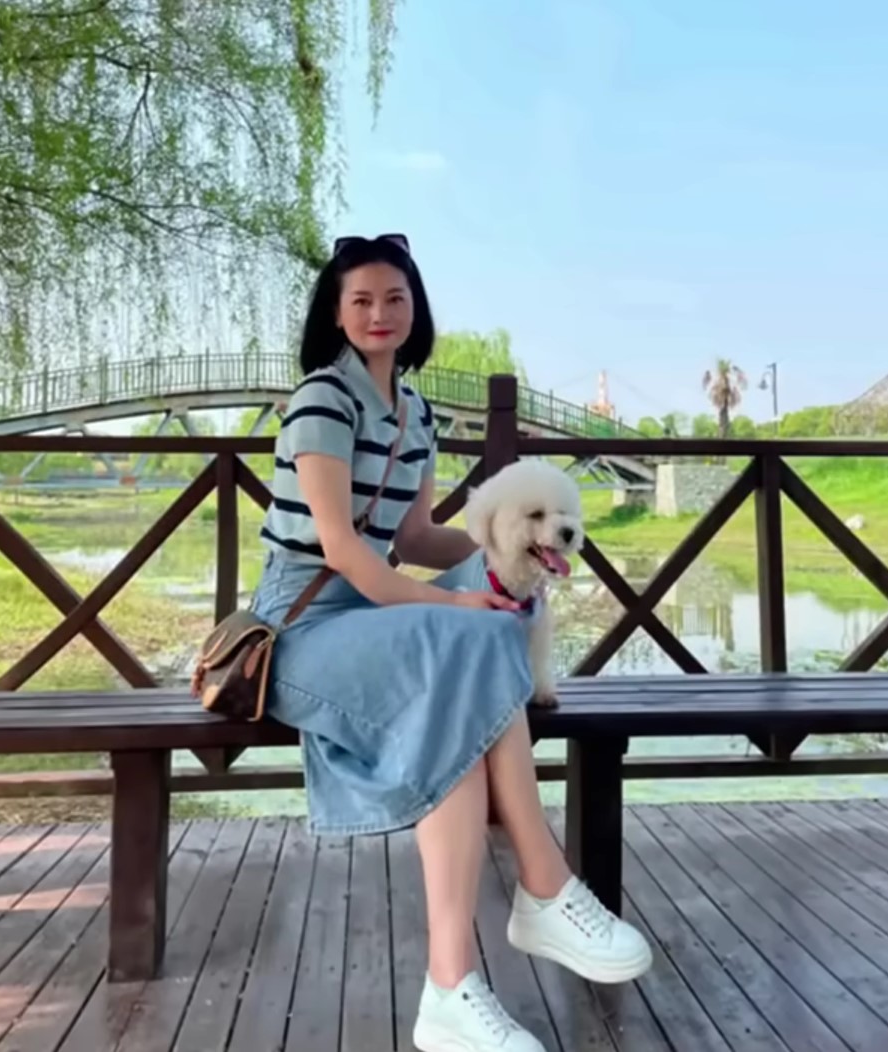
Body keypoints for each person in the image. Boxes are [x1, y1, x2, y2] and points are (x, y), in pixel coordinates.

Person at [252, 233, 652, 1052]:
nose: (377, 314)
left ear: (414, 311)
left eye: (393, 299)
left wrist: (505, 552)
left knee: (469, 678)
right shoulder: (321, 401)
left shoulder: (416, 411)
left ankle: (453, 989)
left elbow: (412, 535)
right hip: (300, 627)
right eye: (360, 300)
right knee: (469, 636)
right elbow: (342, 549)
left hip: (367, 617)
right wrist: (456, 606)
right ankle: (540, 889)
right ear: (335, 312)